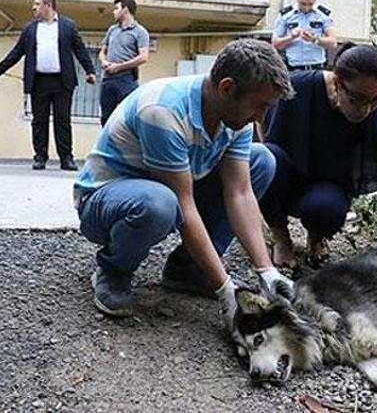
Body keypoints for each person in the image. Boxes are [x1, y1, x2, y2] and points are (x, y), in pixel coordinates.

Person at [74, 39, 295, 328]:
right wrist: (225, 290)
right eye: (259, 106)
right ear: (227, 88)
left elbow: (239, 192)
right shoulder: (163, 111)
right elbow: (184, 204)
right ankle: (113, 269)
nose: (261, 117)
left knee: (261, 161)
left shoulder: (234, 116)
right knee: (160, 204)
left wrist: (266, 271)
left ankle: (188, 269)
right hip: (105, 202)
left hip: (169, 189)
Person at [259, 43, 377, 301]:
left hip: (325, 189)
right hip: (287, 177)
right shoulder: (299, 88)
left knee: (325, 207)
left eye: (376, 100)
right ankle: (281, 238)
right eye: (358, 99)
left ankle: (316, 238)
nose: (366, 109)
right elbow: (263, 126)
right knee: (266, 158)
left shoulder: (373, 113)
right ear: (338, 83)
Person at [0, 0, 97, 171]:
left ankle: (66, 158)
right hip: (39, 81)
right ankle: (40, 157)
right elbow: (16, 53)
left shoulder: (68, 26)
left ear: (48, 5)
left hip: (62, 81)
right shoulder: (30, 29)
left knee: (63, 120)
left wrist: (90, 71)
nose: (33, 7)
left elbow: (80, 50)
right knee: (39, 121)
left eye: (37, 4)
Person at [98, 0, 149, 126]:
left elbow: (144, 57)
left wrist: (119, 67)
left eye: (116, 8)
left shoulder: (140, 32)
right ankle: (107, 145)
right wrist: (104, 61)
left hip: (126, 79)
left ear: (125, 10)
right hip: (108, 79)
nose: (113, 12)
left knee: (130, 115)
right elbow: (102, 52)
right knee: (106, 118)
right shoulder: (112, 30)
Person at [272, 0, 337, 71]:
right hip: (293, 67)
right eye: (303, 4)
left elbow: (333, 43)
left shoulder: (323, 15)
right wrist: (291, 37)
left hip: (316, 67)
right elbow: (275, 43)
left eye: (310, 4)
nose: (306, 7)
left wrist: (315, 39)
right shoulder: (286, 15)